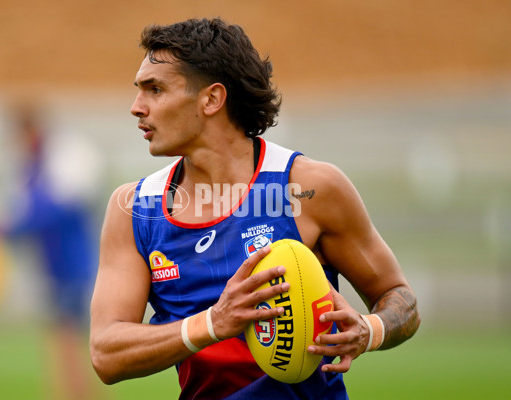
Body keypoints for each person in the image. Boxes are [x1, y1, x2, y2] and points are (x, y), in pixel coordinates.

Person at [90, 17, 420, 399]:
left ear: (212, 99)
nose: (136, 107)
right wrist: (214, 323)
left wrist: (369, 330)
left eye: (155, 89)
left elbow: (402, 300)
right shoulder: (135, 210)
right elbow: (106, 353)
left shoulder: (311, 189)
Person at [0, 103, 101, 400]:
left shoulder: (67, 155)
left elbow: (55, 208)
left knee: (68, 340)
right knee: (61, 341)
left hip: (77, 264)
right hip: (50, 267)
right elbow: (15, 213)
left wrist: (1, 228)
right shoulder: (20, 164)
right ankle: (72, 394)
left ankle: (76, 395)